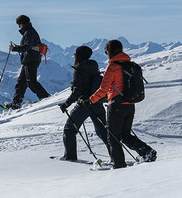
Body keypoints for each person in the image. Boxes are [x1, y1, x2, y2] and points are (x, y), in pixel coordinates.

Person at [89, 39, 157, 169]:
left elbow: (103, 88)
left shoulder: (113, 66)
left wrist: (91, 100)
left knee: (113, 137)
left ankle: (118, 164)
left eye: (106, 51)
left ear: (109, 52)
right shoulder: (129, 65)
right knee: (125, 135)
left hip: (116, 105)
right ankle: (147, 151)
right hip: (130, 105)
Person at [58, 46, 109, 161]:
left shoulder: (79, 69)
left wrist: (66, 104)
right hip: (96, 102)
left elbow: (77, 91)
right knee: (103, 132)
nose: (74, 55)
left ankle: (69, 157)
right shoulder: (94, 67)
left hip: (84, 105)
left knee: (69, 129)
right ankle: (116, 156)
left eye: (75, 54)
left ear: (79, 56)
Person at [4, 14, 50, 109]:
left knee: (31, 82)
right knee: (21, 82)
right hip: (29, 59)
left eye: (19, 24)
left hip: (31, 59)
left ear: (22, 23)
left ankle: (46, 97)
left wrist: (14, 48)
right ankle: (16, 102)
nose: (18, 26)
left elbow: (27, 47)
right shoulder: (28, 32)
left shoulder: (29, 32)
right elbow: (28, 46)